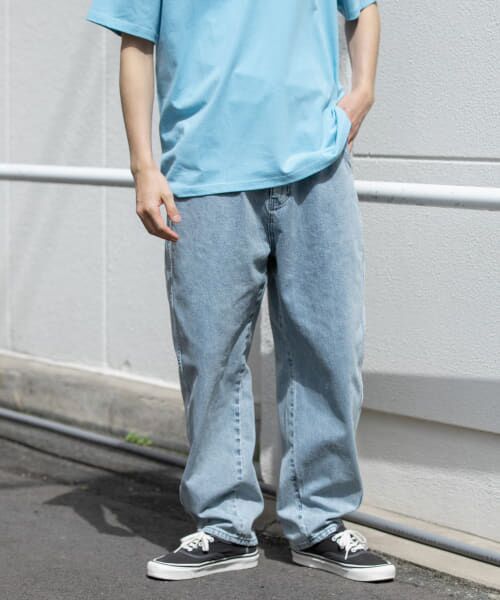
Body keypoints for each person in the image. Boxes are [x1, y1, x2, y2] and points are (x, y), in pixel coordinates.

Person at [86, 0, 395, 584]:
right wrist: (143, 167)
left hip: (317, 168)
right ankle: (225, 525)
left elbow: (364, 8)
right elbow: (135, 43)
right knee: (211, 356)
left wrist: (363, 90)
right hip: (204, 174)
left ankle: (320, 520)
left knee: (330, 350)